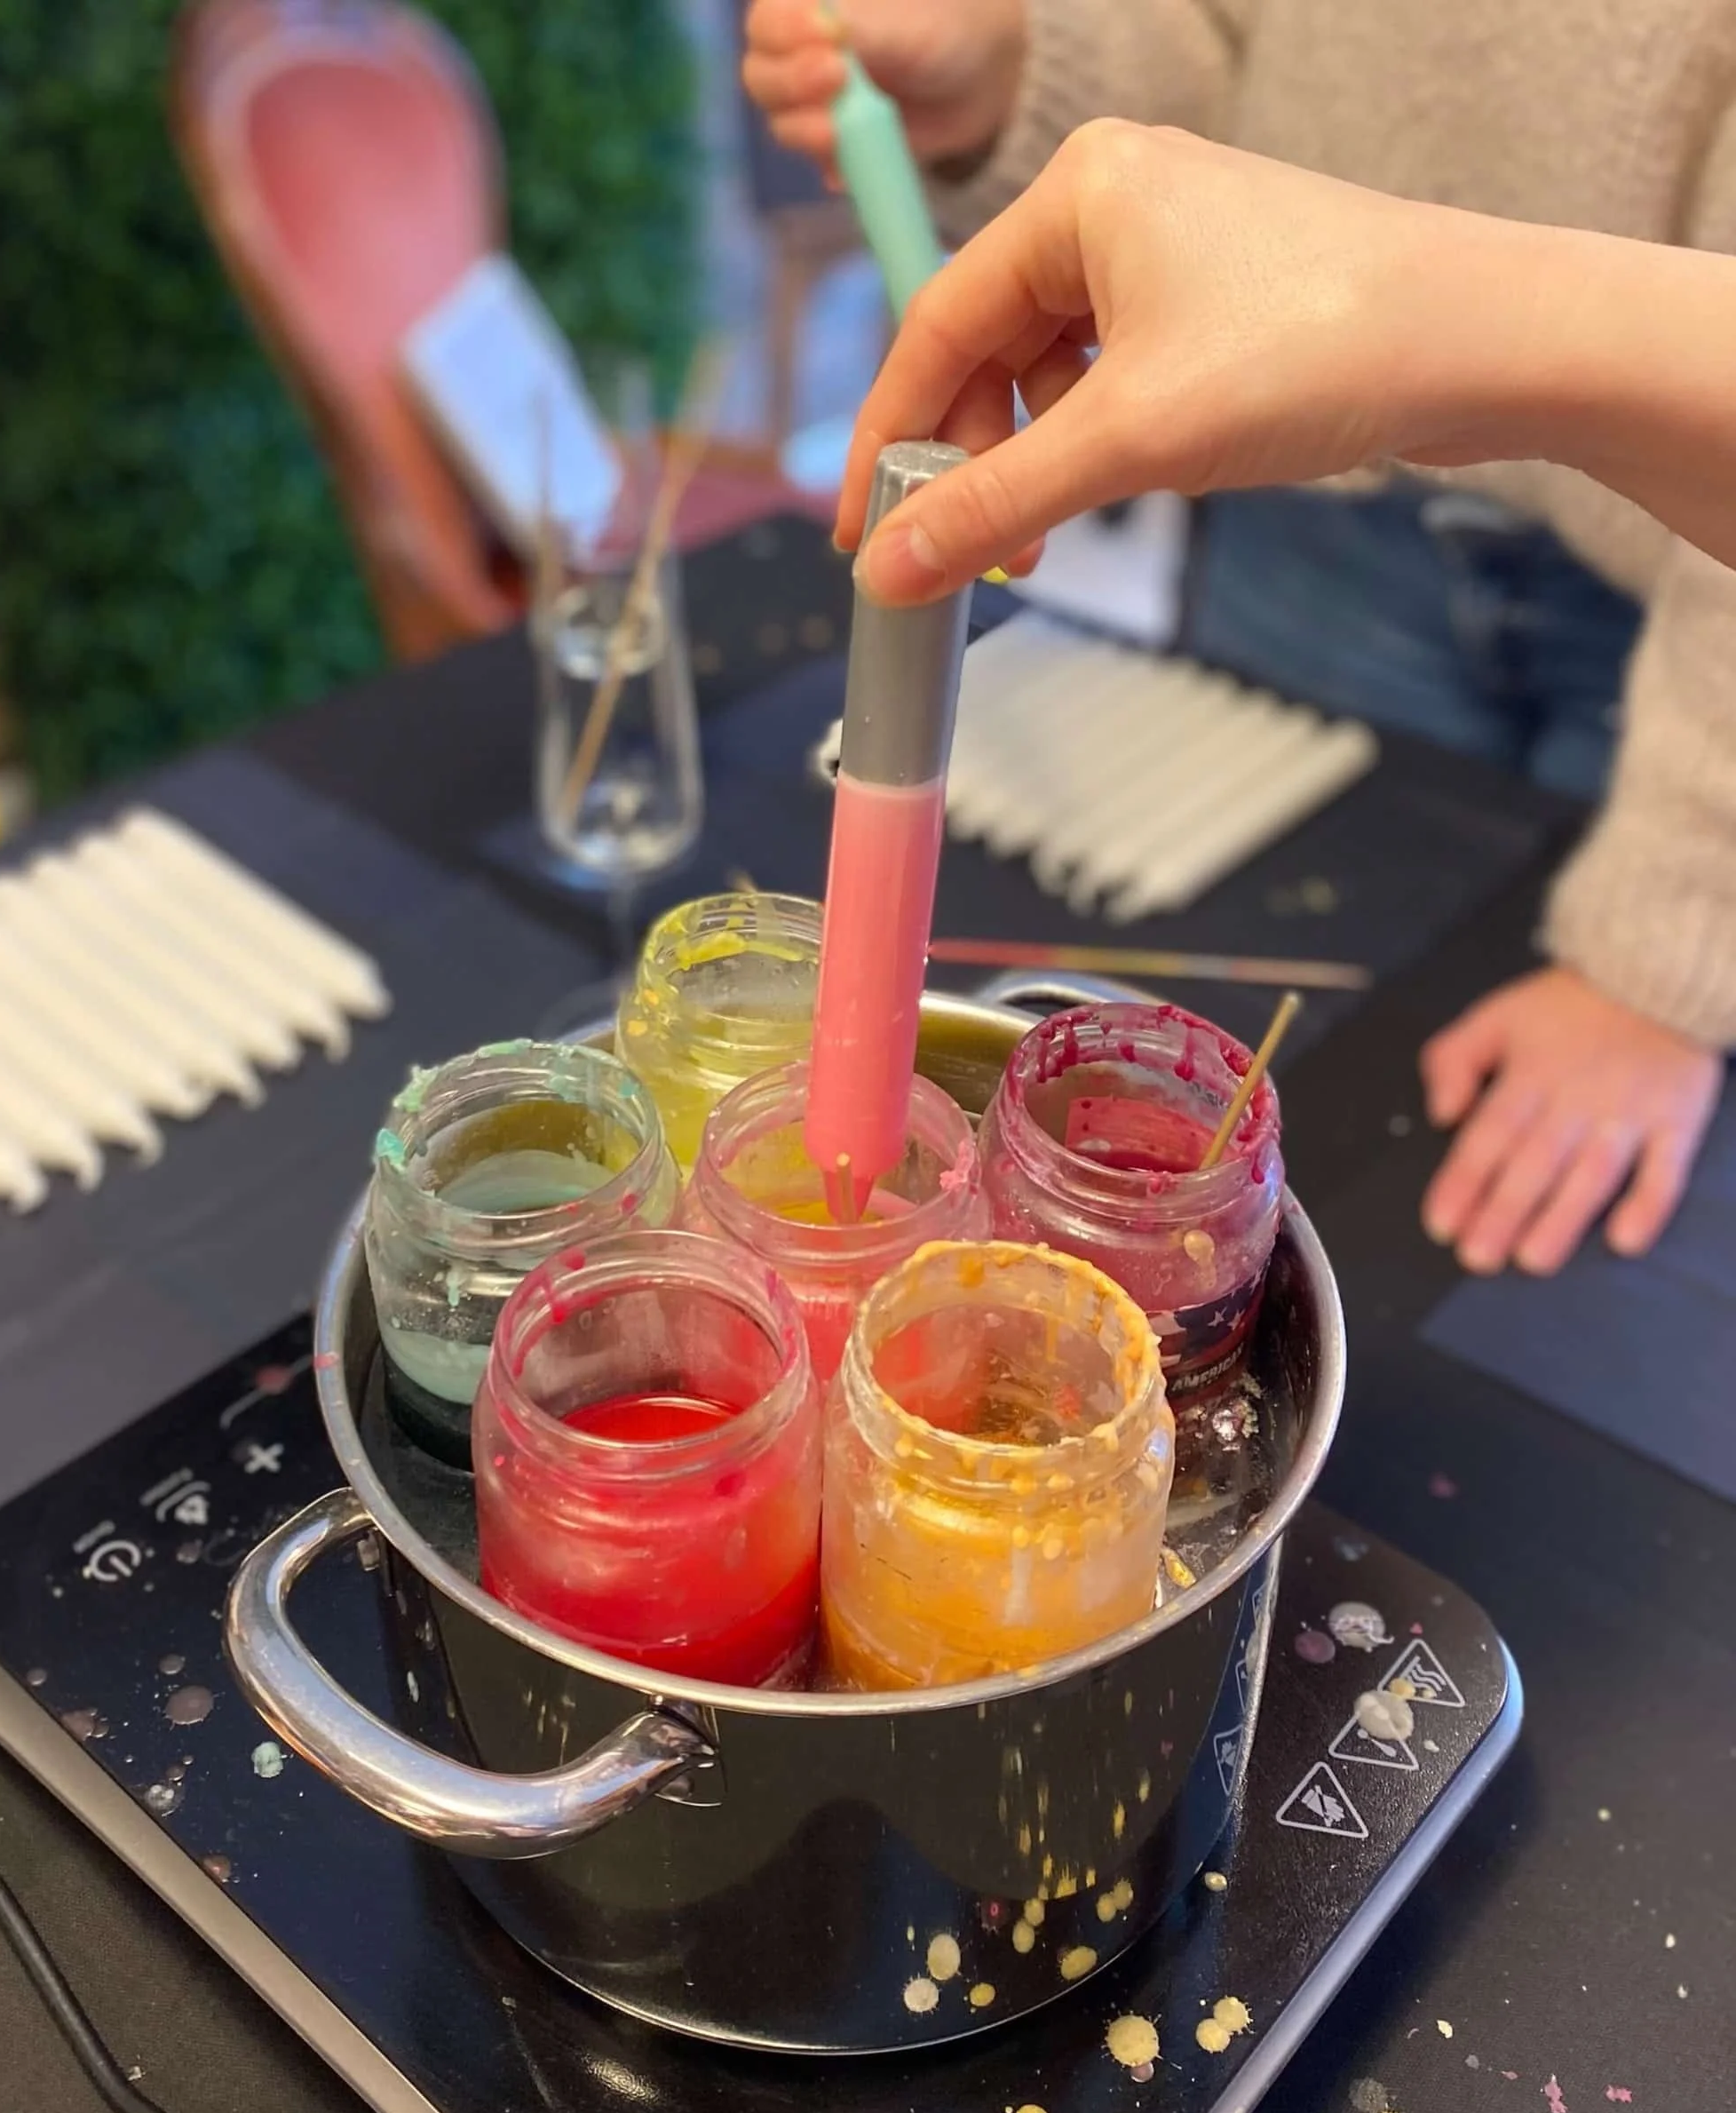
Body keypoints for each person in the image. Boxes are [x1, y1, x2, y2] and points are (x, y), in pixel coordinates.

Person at [742, 0, 1736, 1278]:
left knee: (1445, 1215)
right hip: (1310, 502)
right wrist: (1027, 80)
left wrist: (1668, 950)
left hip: (1680, 597)